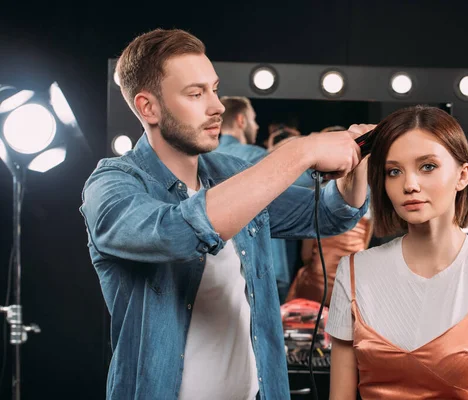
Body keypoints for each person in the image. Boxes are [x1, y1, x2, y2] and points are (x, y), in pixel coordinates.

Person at [79, 28, 373, 400]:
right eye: (195, 93)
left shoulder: (231, 173)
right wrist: (300, 151)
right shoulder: (112, 185)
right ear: (147, 107)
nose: (216, 105)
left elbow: (328, 215)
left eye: (214, 89)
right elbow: (178, 234)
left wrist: (358, 160)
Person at [325, 105, 468, 399]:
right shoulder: (353, 272)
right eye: (394, 171)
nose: (409, 185)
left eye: (427, 166)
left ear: (462, 176)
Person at [214, 95, 293, 303]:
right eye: (253, 119)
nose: (257, 126)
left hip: (216, 268)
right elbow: (306, 181)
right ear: (241, 120)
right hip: (263, 267)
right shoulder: (257, 157)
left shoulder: (204, 158)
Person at [285, 125, 374, 306]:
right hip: (355, 280)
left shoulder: (312, 198)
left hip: (318, 280)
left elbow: (306, 254)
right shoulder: (367, 201)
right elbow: (365, 243)